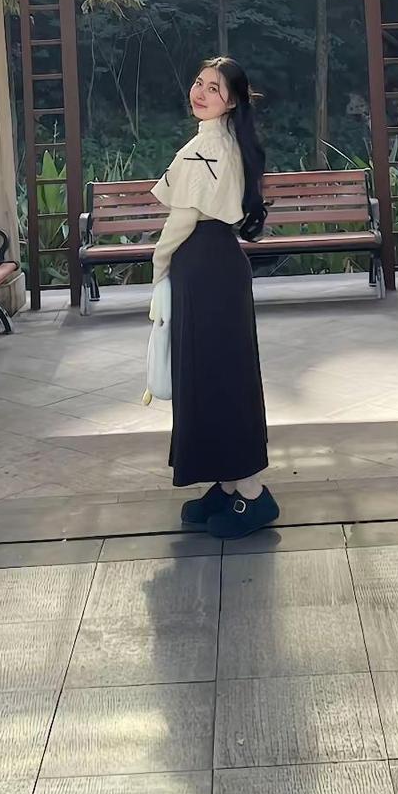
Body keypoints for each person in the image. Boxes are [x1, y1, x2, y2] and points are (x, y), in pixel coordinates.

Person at [149, 56, 276, 539]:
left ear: (234, 100)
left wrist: (159, 268)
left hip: (205, 267)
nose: (200, 93)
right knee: (212, 373)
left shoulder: (210, 147)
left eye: (214, 88)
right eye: (199, 83)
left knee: (216, 376)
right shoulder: (222, 141)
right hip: (213, 265)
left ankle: (251, 493)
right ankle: (227, 484)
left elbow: (181, 220)